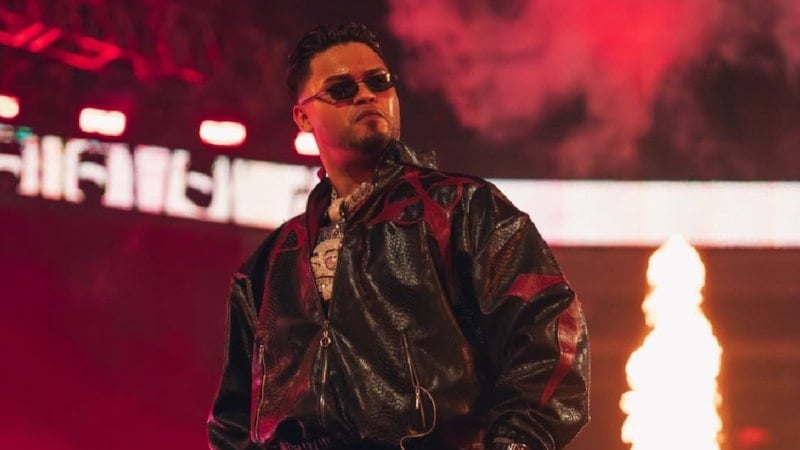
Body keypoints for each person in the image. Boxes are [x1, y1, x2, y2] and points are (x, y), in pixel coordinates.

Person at [208, 22, 589, 450]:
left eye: (379, 81)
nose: (366, 95)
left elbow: (550, 339)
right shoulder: (266, 267)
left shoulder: (464, 210)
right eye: (341, 89)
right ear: (303, 117)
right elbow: (233, 423)